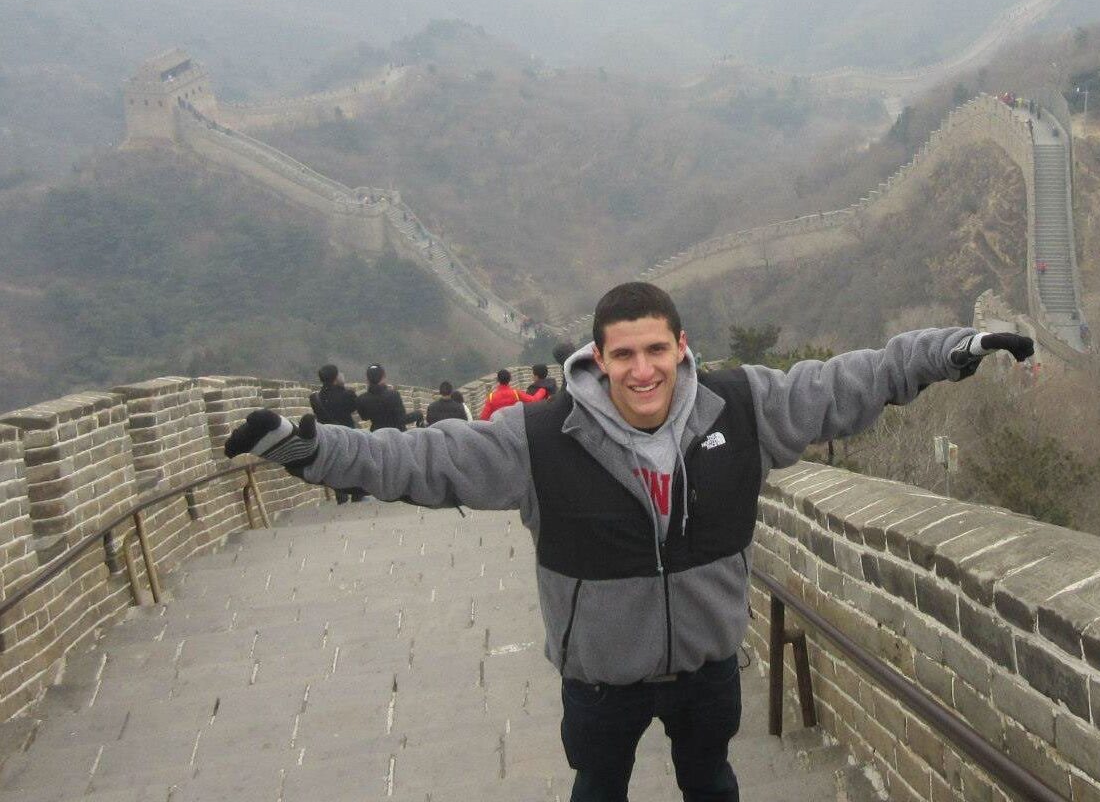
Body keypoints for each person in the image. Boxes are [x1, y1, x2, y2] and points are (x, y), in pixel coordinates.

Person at [223, 281, 1033, 802]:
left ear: (681, 348)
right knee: (598, 787)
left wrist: (949, 351)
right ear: (597, 360)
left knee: (711, 781)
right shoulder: (537, 437)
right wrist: (310, 448)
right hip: (602, 680)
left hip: (708, 665)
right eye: (624, 355)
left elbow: (848, 384)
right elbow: (420, 459)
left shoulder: (740, 408)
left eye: (657, 351)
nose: (643, 371)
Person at [309, 365, 364, 504]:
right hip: (348, 436)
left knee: (335, 467)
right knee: (353, 465)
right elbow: (355, 408)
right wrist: (343, 387)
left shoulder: (315, 398)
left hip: (328, 439)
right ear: (335, 377)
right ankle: (356, 495)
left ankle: (341, 497)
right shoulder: (348, 395)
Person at [354, 364, 421, 432]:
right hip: (396, 435)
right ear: (383, 377)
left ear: (367, 379)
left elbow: (364, 417)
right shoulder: (393, 395)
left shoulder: (361, 399)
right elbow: (402, 419)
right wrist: (418, 414)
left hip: (377, 435)